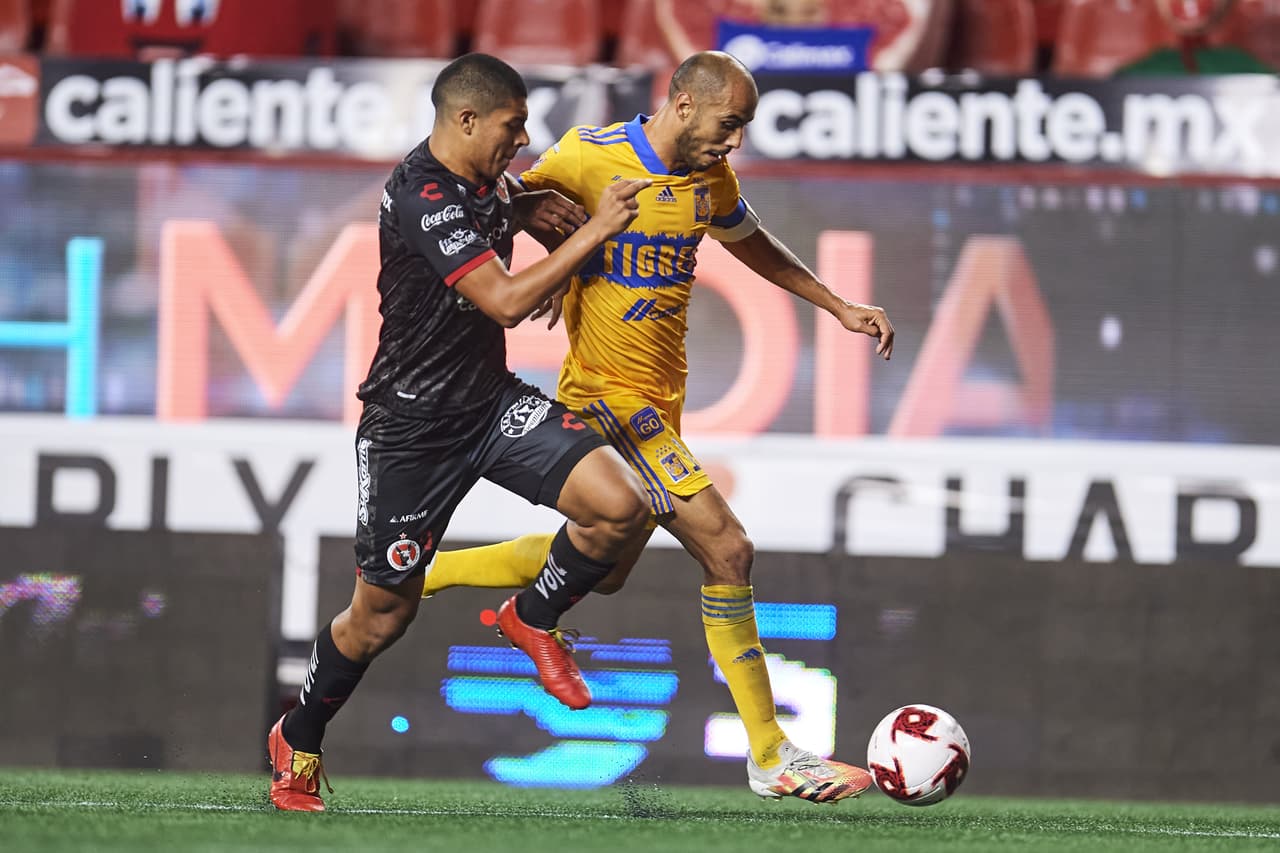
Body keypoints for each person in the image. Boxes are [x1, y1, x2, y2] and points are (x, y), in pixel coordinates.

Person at [416, 51, 895, 804]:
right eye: (729, 123)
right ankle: (771, 754)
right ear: (681, 103)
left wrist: (836, 305)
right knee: (728, 547)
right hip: (608, 399)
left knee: (604, 570)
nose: (735, 141)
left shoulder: (711, 180)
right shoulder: (587, 154)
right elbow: (490, 198)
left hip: (659, 404)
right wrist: (537, 231)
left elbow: (753, 242)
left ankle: (423, 573)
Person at [266, 53, 654, 812]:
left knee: (621, 504)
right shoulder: (422, 192)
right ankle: (298, 739)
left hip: (488, 405)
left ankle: (531, 617)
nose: (524, 136)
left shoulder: (487, 181)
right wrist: (594, 229)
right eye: (514, 124)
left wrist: (528, 212)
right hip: (411, 427)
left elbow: (505, 208)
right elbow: (504, 302)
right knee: (382, 616)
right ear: (466, 119)